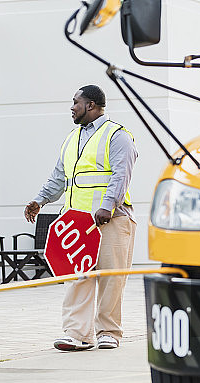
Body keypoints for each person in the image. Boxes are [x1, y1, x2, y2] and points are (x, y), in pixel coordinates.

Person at [24, 85, 138, 351]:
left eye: (75, 102)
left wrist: (108, 205)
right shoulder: (71, 139)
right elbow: (59, 178)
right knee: (77, 277)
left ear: (91, 105)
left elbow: (122, 174)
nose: (71, 107)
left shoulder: (117, 136)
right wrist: (39, 200)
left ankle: (109, 332)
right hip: (77, 222)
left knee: (111, 277)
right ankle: (77, 334)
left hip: (111, 219)